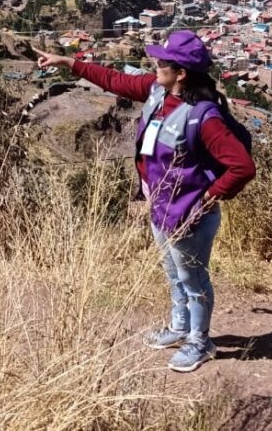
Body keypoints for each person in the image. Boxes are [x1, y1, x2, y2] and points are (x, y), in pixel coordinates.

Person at [34, 30, 255, 373]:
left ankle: (200, 341)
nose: (155, 64)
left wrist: (205, 200)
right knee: (174, 273)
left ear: (181, 73)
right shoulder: (158, 91)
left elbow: (242, 167)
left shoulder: (204, 116)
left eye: (162, 62)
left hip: (189, 215)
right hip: (161, 207)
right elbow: (114, 80)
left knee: (194, 279)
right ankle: (179, 327)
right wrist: (68, 63)